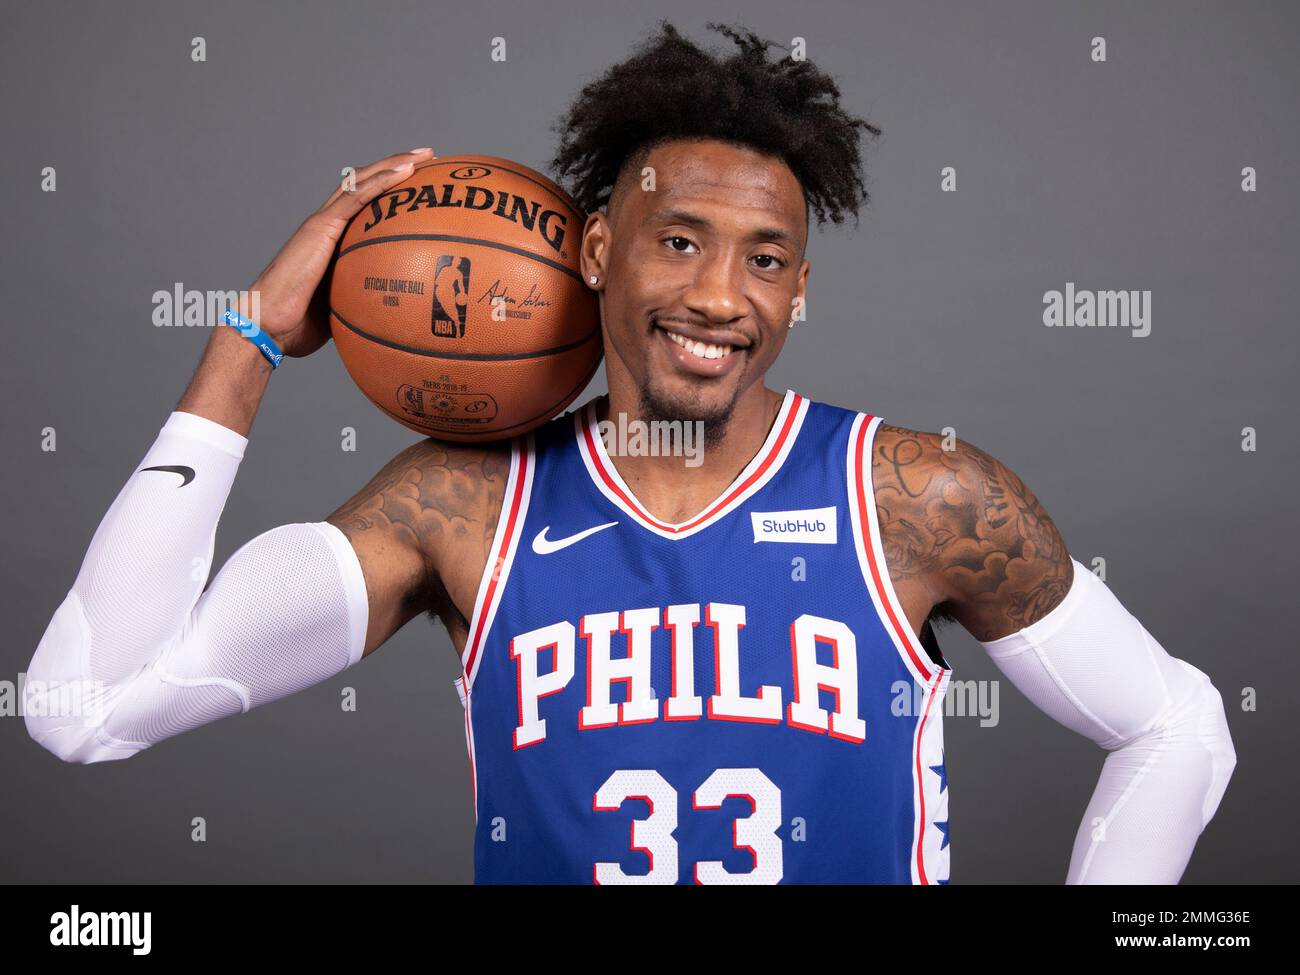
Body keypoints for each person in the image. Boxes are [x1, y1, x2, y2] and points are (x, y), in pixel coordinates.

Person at [25, 22, 1235, 884]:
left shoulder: (916, 498)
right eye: (679, 242)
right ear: (597, 251)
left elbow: (1179, 725)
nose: (719, 295)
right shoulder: (460, 505)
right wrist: (246, 341)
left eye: (763, 259)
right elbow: (83, 710)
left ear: (798, 291)